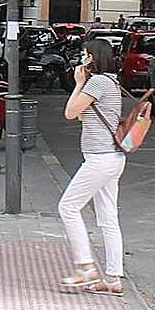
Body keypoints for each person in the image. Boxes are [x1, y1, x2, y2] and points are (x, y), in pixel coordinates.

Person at [57, 39, 127, 296]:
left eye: (85, 55)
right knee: (108, 218)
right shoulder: (112, 81)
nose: (81, 59)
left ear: (93, 58)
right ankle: (113, 277)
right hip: (112, 158)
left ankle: (85, 268)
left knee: (68, 207)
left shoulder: (97, 83)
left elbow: (70, 112)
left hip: (100, 159)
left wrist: (78, 84)